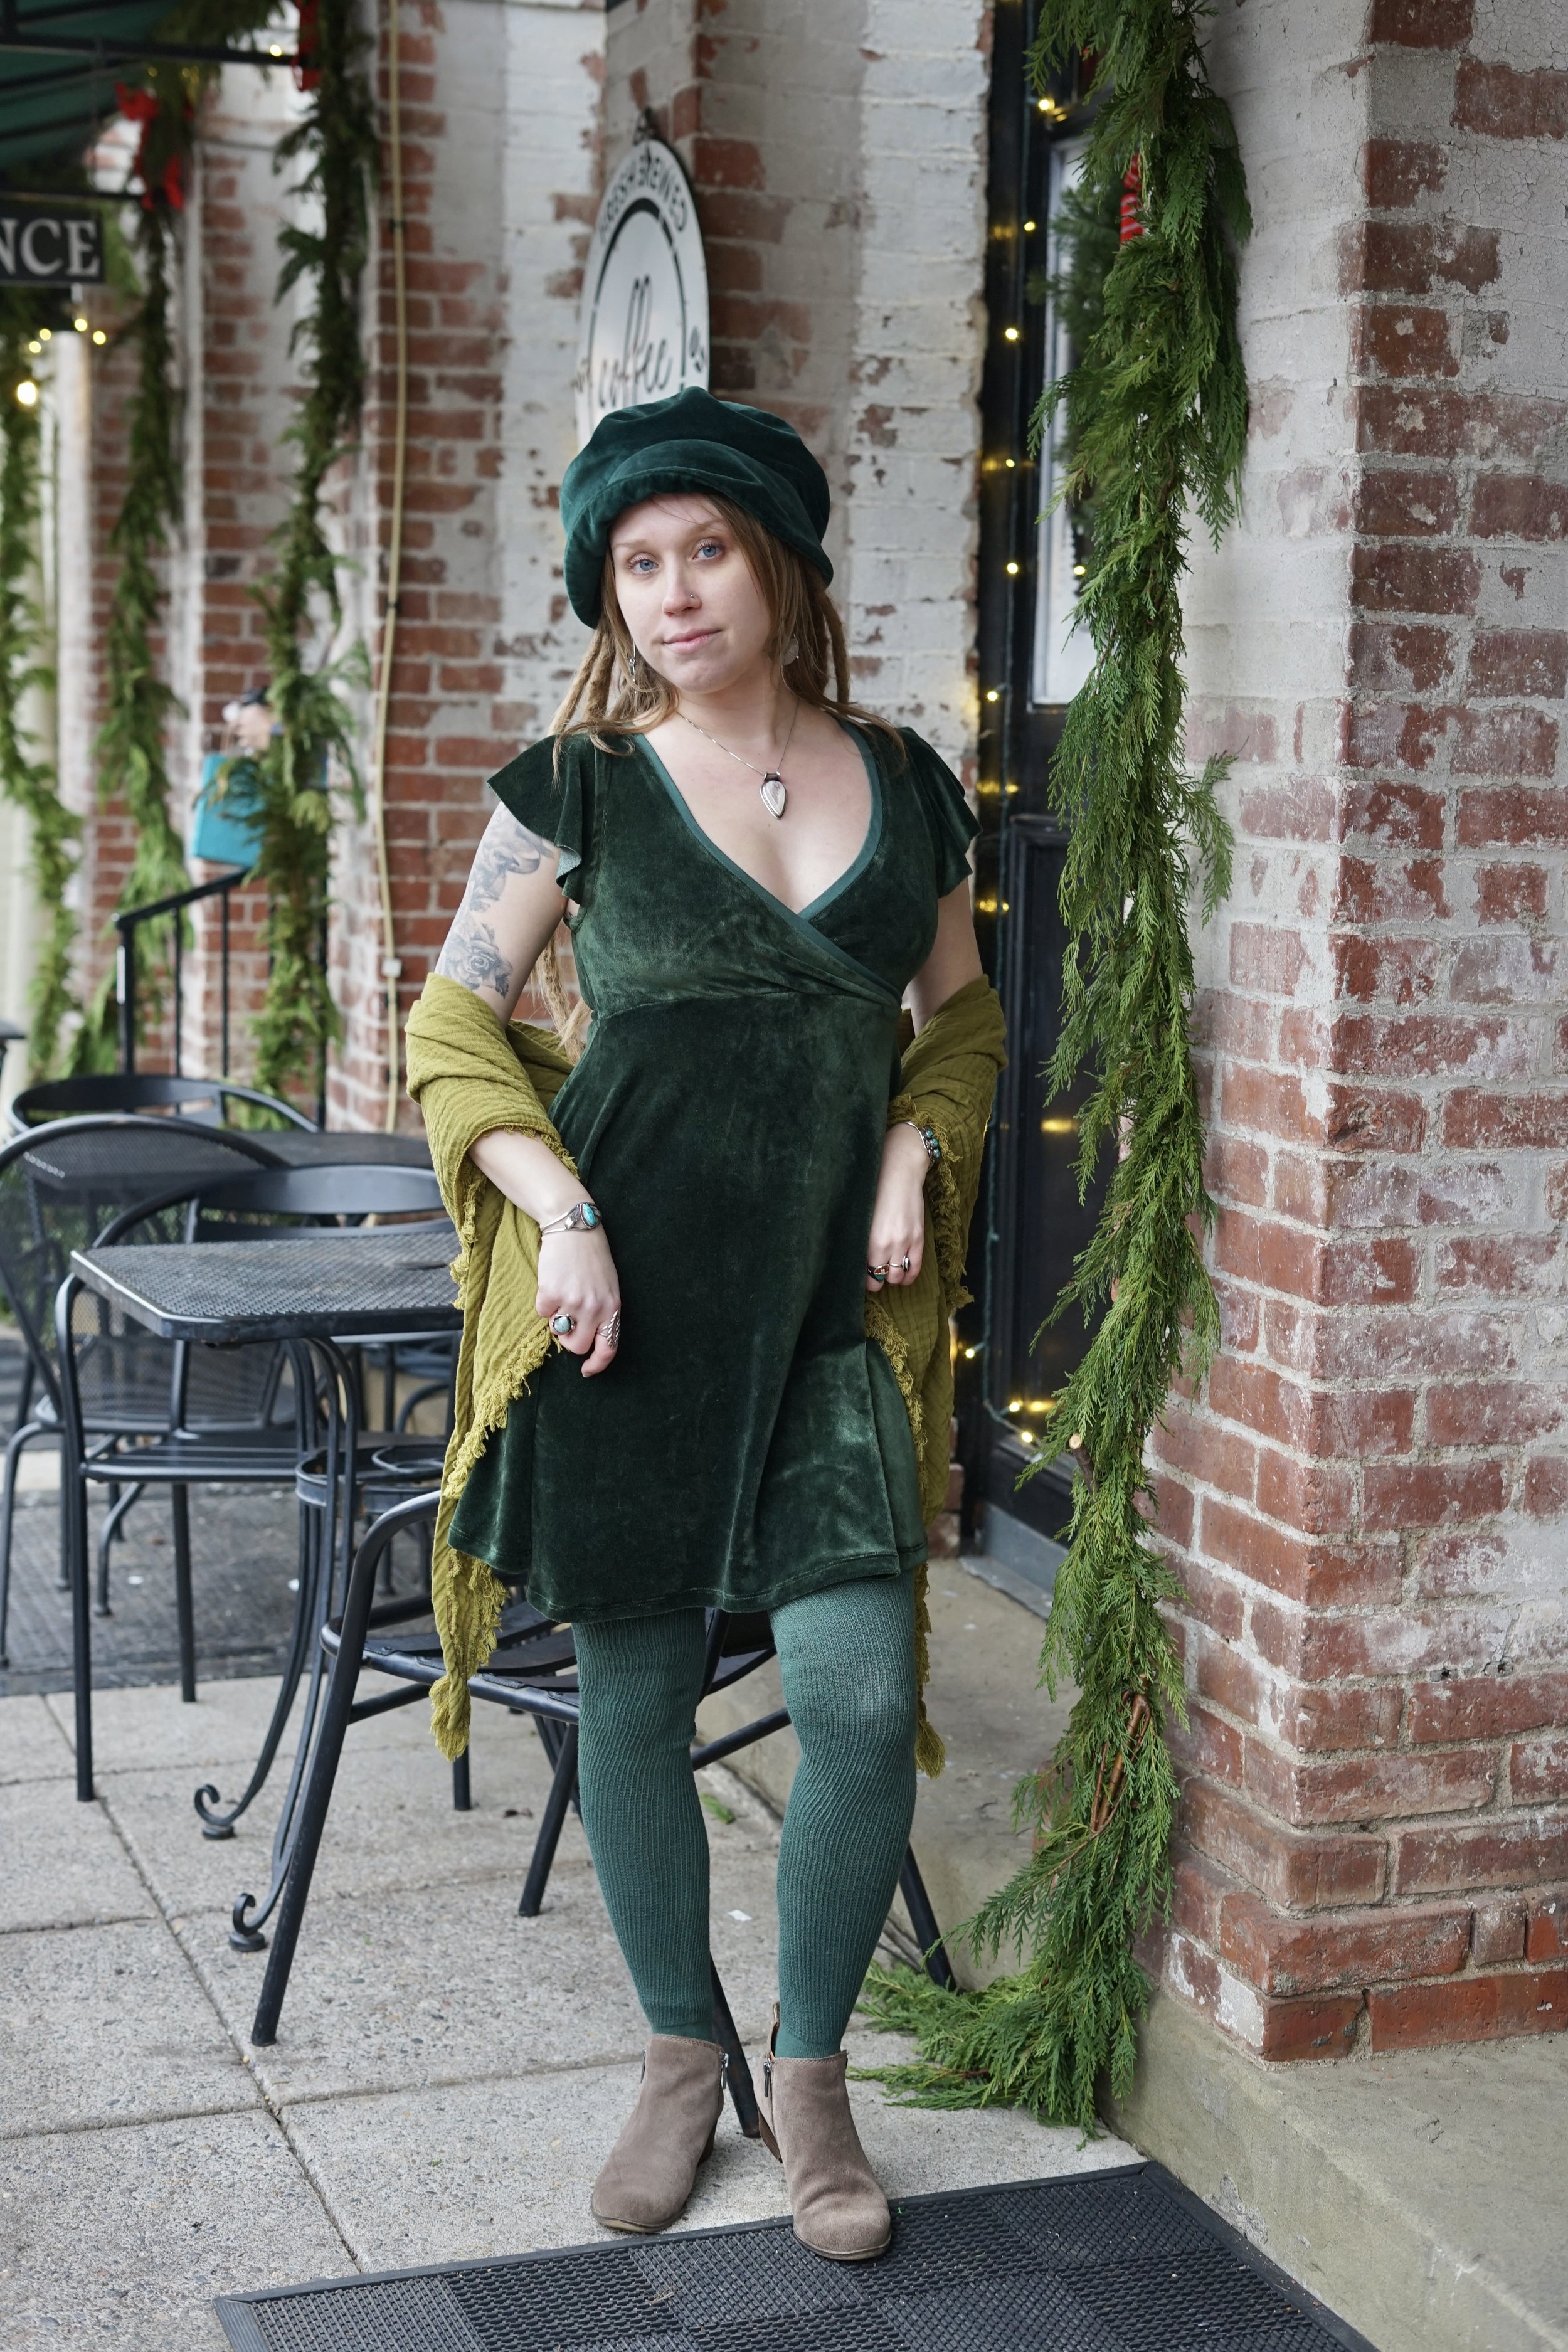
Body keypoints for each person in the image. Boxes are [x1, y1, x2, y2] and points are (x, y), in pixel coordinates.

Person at [406, 388, 1005, 2262]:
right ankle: (681, 2058)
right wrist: (561, 1216)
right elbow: (450, 1024)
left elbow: (965, 1019)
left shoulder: (907, 782)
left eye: (706, 551)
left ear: (781, 566)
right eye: (635, 563)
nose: (669, 594)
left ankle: (811, 2081)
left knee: (857, 1697)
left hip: (827, 1323)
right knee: (639, 1705)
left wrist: (912, 1148)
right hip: (627, 1325)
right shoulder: (572, 791)